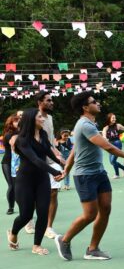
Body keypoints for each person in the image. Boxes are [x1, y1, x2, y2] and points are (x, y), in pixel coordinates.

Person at [55, 92, 124, 261]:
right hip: (85, 176)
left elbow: (76, 149)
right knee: (90, 214)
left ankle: (93, 249)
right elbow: (108, 146)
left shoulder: (90, 124)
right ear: (85, 107)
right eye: (94, 102)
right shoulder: (85, 125)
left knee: (105, 209)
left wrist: (66, 168)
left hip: (99, 173)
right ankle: (64, 239)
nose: (98, 104)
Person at [7, 108, 64, 256]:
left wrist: (62, 164)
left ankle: (36, 245)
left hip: (42, 179)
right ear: (32, 119)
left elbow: (47, 152)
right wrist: (55, 172)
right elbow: (35, 160)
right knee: (26, 215)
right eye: (40, 117)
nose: (43, 119)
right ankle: (13, 232)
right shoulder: (21, 139)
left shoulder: (43, 134)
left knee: (43, 212)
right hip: (24, 181)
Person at [36, 91, 65, 240]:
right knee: (37, 196)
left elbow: (51, 140)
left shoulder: (51, 118)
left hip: (52, 159)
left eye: (51, 100)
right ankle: (30, 221)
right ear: (40, 103)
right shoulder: (34, 118)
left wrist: (58, 155)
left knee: (54, 193)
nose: (51, 102)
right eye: (48, 100)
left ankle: (49, 227)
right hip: (37, 161)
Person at [102, 113, 124, 179]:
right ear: (109, 119)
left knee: (113, 161)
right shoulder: (105, 128)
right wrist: (105, 138)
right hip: (110, 146)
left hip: (117, 144)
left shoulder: (118, 126)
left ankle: (117, 174)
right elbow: (104, 134)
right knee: (111, 162)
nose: (114, 119)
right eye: (113, 118)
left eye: (115, 118)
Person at [2, 114, 20, 215]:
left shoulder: (22, 132)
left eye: (19, 120)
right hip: (7, 162)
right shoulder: (9, 134)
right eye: (16, 121)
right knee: (12, 185)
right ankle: (11, 207)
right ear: (11, 123)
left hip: (18, 162)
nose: (18, 122)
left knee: (18, 185)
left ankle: (23, 207)